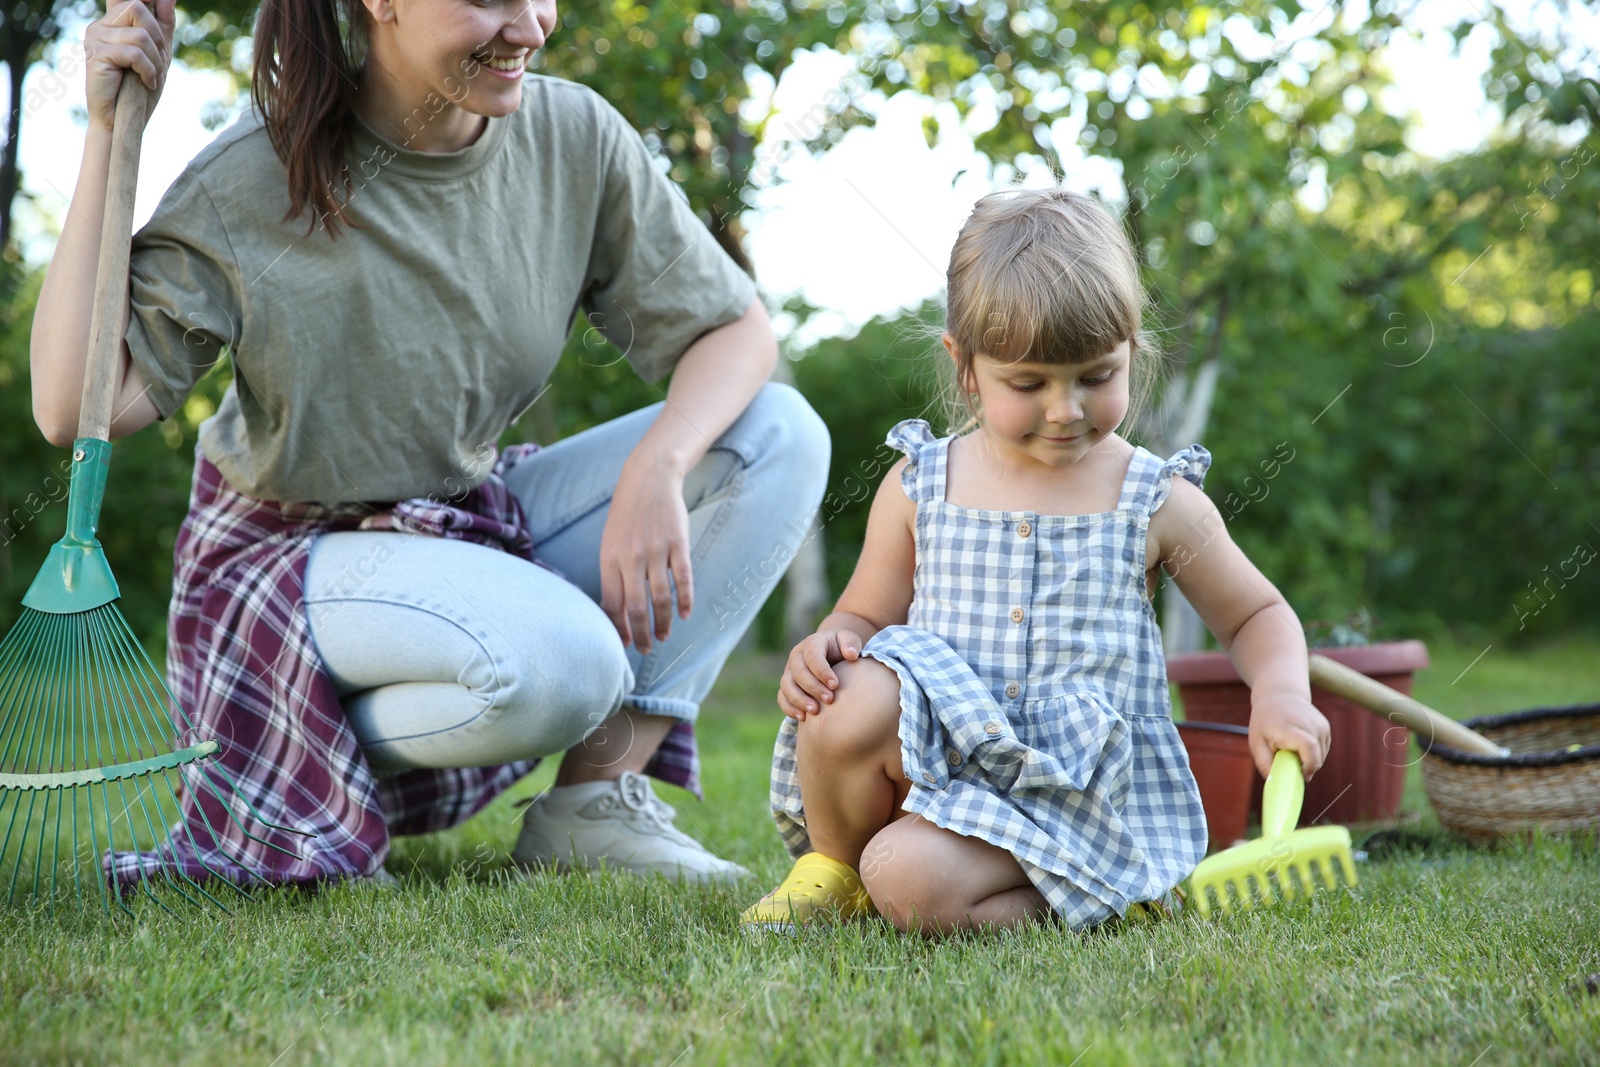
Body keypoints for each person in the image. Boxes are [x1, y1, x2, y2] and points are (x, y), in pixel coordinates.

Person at [31, 0, 828, 889]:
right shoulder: (256, 176)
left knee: (778, 433)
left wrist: (662, 460)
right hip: (288, 561)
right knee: (568, 663)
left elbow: (738, 332)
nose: (528, 26)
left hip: (466, 528)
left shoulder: (574, 139)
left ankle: (596, 803)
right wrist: (107, 134)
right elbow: (78, 406)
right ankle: (288, 746)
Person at [740, 189, 1331, 935]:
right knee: (847, 692)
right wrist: (829, 642)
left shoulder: (1151, 498)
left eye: (1095, 376)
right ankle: (831, 869)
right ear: (965, 366)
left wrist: (1280, 691)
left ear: (1130, 350)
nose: (1066, 409)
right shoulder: (922, 484)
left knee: (906, 875)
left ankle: (1113, 890)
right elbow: (863, 615)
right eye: (1030, 384)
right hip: (947, 768)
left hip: (1079, 796)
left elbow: (1255, 613)